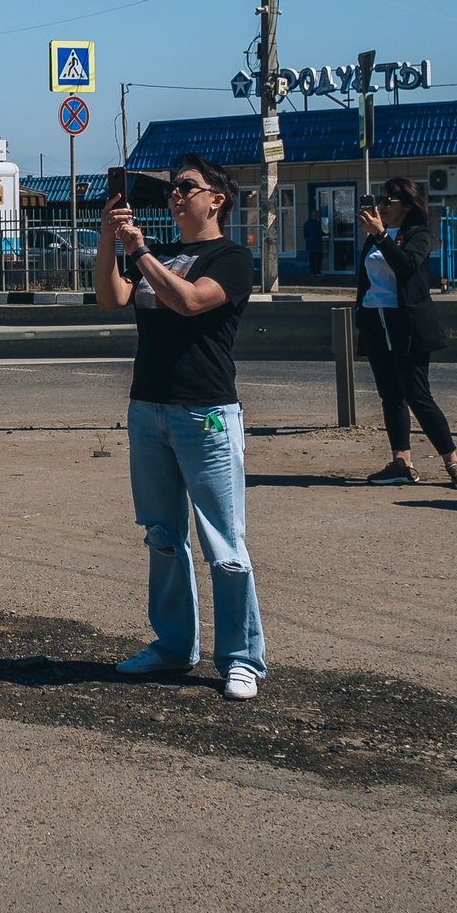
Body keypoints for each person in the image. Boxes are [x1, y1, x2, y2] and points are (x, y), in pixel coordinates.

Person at [97, 155, 266, 701]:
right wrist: (110, 238)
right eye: (171, 188)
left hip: (206, 412)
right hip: (149, 410)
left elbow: (190, 301)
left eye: (185, 187)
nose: (174, 194)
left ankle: (242, 658)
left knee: (224, 542)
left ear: (216, 199)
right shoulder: (161, 254)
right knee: (162, 537)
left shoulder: (232, 257)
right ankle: (173, 646)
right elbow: (111, 298)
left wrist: (139, 251)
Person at [355, 176, 457, 488]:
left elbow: (406, 266)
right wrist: (361, 312)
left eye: (387, 201)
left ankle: (453, 463)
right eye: (379, 200)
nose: (380, 206)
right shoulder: (374, 236)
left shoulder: (417, 234)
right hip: (375, 323)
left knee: (417, 395)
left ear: (406, 206)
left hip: (407, 325)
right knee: (390, 396)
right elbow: (368, 277)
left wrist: (381, 235)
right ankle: (401, 463)